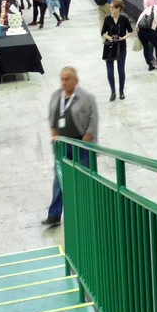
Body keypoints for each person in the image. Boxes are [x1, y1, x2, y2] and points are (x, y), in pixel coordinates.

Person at [42, 66, 98, 227]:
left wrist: (83, 143)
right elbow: (52, 118)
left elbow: (92, 124)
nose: (64, 82)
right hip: (62, 145)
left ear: (76, 81)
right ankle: (54, 216)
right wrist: (55, 137)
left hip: (81, 146)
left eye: (67, 79)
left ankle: (86, 214)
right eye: (62, 79)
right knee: (59, 180)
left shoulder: (87, 97)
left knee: (83, 180)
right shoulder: (56, 95)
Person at [101, 0, 133, 101]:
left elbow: (130, 31)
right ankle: (113, 92)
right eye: (110, 7)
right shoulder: (107, 19)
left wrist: (123, 38)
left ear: (118, 8)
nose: (111, 9)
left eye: (112, 8)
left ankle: (121, 91)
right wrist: (108, 37)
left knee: (121, 69)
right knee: (110, 70)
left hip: (121, 46)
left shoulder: (124, 19)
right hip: (109, 47)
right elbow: (103, 32)